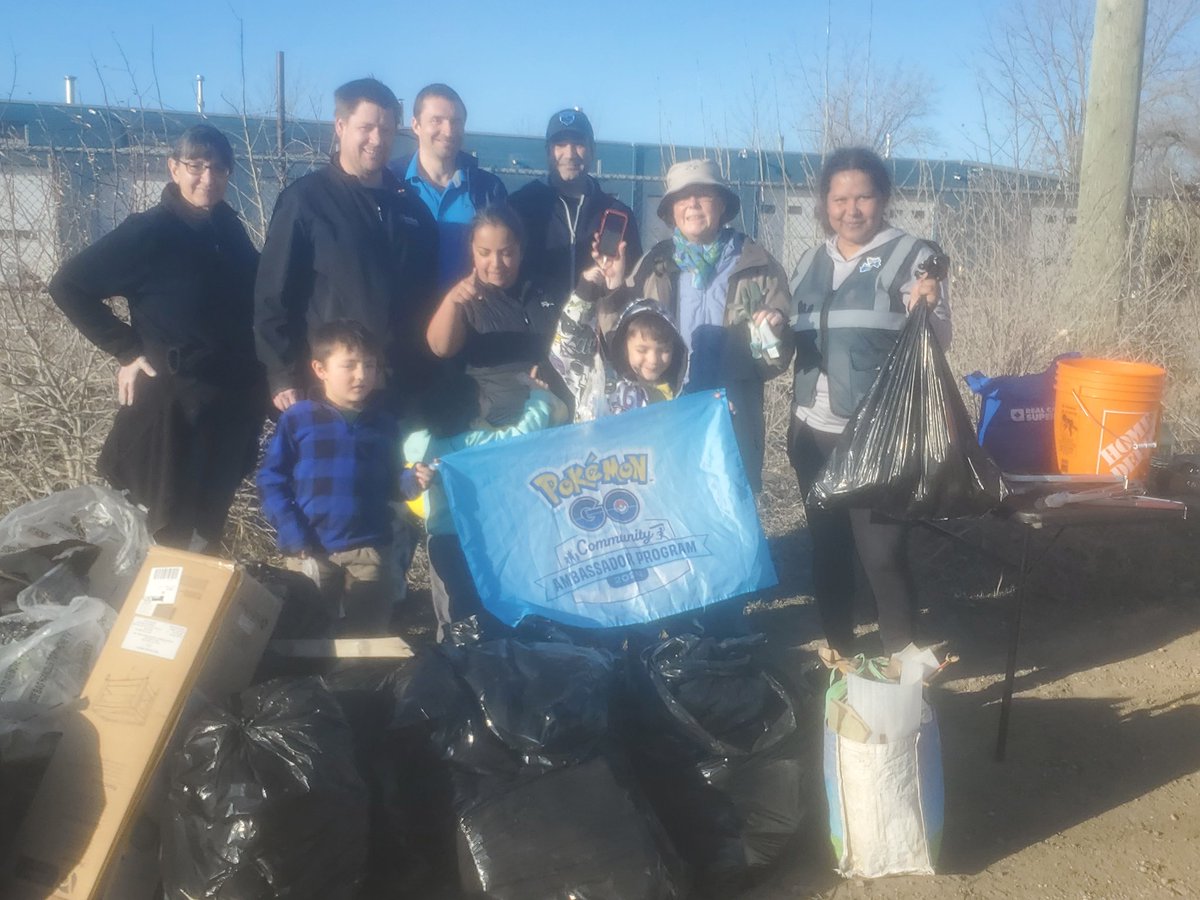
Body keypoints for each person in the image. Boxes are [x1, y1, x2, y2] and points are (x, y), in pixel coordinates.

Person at [48, 124, 265, 551]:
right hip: (174, 409)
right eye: (196, 166)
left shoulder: (230, 231)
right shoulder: (149, 231)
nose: (208, 178)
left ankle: (195, 610)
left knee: (207, 531)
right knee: (166, 533)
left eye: (219, 169)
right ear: (173, 168)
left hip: (228, 408)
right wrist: (126, 349)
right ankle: (154, 614)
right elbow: (68, 285)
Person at [787, 146, 951, 655]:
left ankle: (903, 662)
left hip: (878, 435)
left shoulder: (912, 254)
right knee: (828, 549)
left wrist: (930, 307)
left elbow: (939, 340)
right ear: (824, 202)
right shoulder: (811, 260)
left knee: (881, 555)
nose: (851, 209)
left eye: (863, 197)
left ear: (883, 199)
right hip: (811, 431)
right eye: (840, 199)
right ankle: (837, 648)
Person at [591, 158, 792, 491]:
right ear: (671, 210)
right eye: (683, 198)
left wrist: (774, 333)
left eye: (704, 195)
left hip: (731, 418)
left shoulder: (758, 265)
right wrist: (613, 292)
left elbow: (777, 362)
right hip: (667, 417)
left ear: (723, 205)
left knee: (729, 508)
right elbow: (620, 345)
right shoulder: (651, 265)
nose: (693, 204)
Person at [254, 77, 437, 415]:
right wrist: (281, 374)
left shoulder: (409, 208)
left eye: (386, 129)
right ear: (340, 126)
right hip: (329, 392)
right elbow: (272, 297)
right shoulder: (305, 201)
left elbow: (427, 297)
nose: (377, 139)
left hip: (399, 389)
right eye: (366, 127)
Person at [257, 320, 431, 637]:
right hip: (310, 549)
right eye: (349, 365)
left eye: (370, 365)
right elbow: (271, 480)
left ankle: (356, 684)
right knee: (304, 638)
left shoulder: (385, 424)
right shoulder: (298, 418)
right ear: (320, 369)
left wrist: (412, 481)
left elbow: (392, 484)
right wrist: (291, 531)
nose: (362, 375)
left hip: (370, 551)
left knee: (367, 641)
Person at [403, 371, 567, 639]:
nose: (486, 396)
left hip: (441, 541)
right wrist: (537, 396)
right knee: (482, 596)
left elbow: (410, 448)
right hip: (478, 540)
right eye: (481, 395)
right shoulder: (477, 443)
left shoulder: (422, 441)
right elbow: (522, 435)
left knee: (451, 600)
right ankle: (485, 650)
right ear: (470, 408)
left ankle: (454, 650)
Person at [426, 205, 562, 425]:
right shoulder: (464, 298)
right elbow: (440, 348)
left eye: (506, 253)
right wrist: (452, 302)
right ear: (472, 250)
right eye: (484, 253)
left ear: (521, 250)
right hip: (494, 428)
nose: (496, 264)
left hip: (550, 420)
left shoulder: (546, 290)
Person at [509, 108, 641, 311]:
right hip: (534, 337)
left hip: (596, 335)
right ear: (547, 151)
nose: (570, 154)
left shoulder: (618, 215)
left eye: (579, 144)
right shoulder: (519, 207)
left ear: (592, 150)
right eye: (560, 144)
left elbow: (634, 285)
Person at [390, 83, 507, 291]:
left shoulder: (488, 190)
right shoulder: (390, 184)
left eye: (456, 122)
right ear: (415, 125)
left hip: (470, 318)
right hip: (404, 319)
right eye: (437, 120)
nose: (448, 131)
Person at [550, 275, 688, 420]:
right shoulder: (601, 385)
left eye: (664, 350)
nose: (653, 360)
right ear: (624, 348)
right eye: (642, 350)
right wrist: (585, 294)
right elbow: (566, 345)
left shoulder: (681, 397)